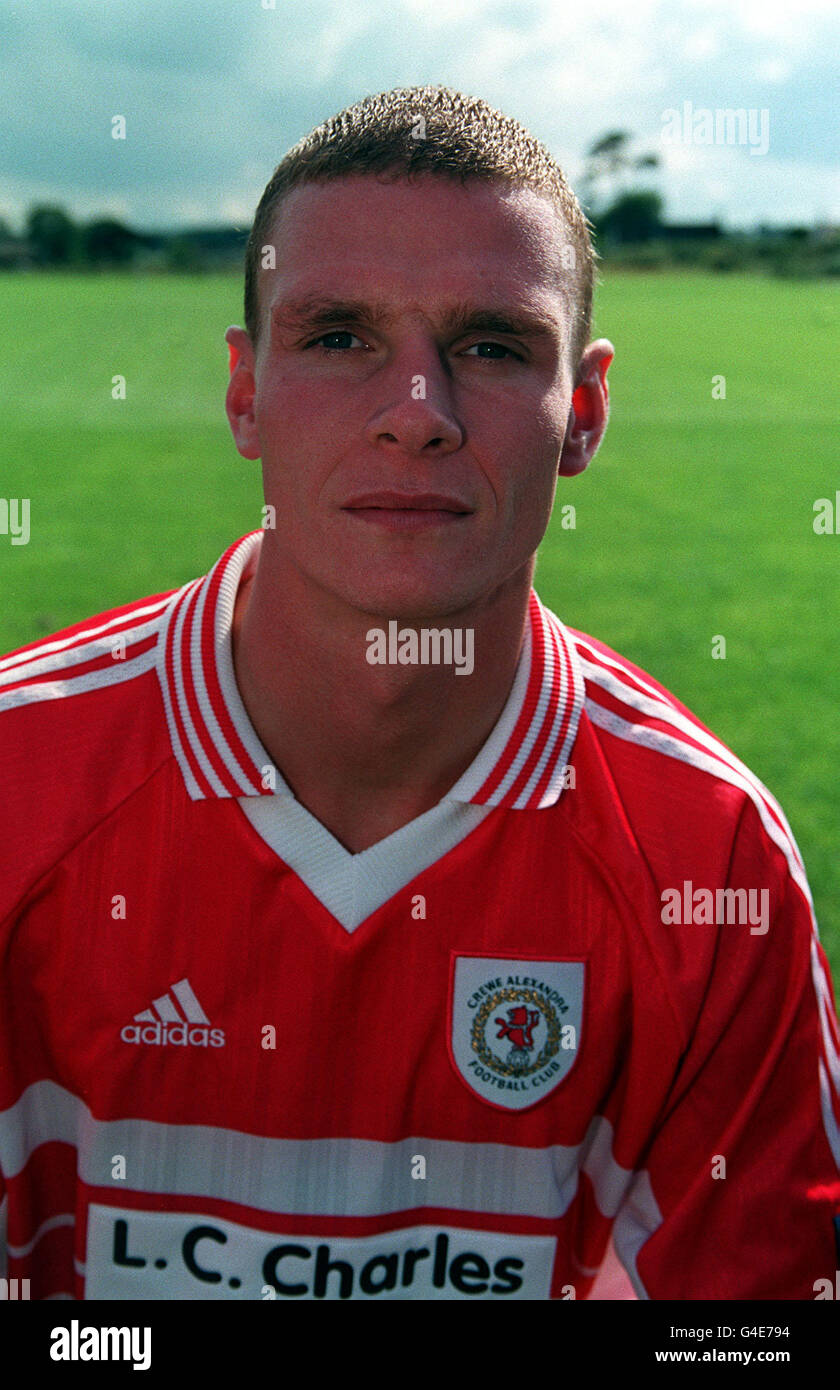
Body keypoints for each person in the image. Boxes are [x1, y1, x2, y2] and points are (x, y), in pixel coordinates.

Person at [0, 85, 838, 1302]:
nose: (417, 415)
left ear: (584, 413)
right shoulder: (20, 784)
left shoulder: (712, 865)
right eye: (339, 336)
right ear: (245, 391)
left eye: (492, 346)